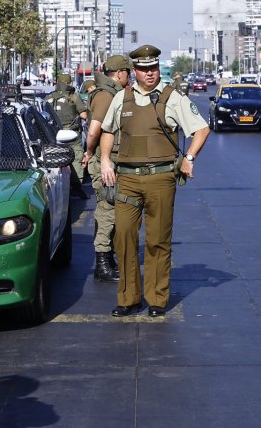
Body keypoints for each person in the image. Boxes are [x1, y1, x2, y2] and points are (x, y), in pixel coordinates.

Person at [99, 45, 209, 318]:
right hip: (127, 179)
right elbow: (107, 131)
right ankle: (128, 298)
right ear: (134, 71)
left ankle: (157, 299)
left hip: (161, 179)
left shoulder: (172, 98)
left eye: (154, 68)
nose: (150, 73)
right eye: (144, 69)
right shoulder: (121, 98)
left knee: (157, 240)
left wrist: (189, 158)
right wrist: (104, 160)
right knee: (123, 237)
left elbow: (201, 129)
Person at [80, 54, 132, 283]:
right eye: (127, 73)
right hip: (106, 161)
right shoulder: (106, 95)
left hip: (110, 159)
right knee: (107, 210)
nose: (129, 77)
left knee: (112, 210)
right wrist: (91, 153)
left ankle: (108, 259)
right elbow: (94, 130)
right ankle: (103, 263)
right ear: (120, 73)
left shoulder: (110, 93)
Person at [46, 73, 88, 201]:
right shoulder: (73, 96)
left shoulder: (48, 97)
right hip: (72, 135)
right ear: (69, 84)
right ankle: (76, 188)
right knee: (75, 160)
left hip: (53, 136)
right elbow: (84, 115)